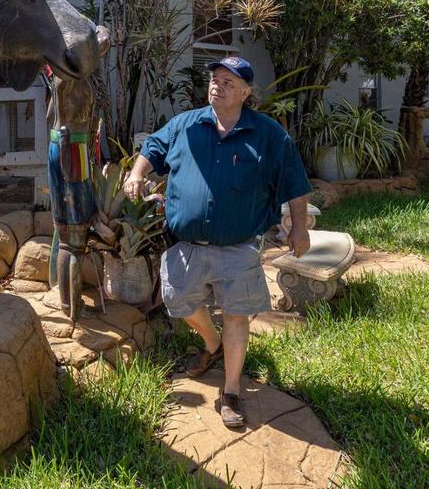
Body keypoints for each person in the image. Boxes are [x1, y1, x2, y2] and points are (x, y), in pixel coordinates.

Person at [123, 56, 312, 429]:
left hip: (238, 246)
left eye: (228, 81)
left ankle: (230, 392)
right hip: (186, 243)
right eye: (214, 79)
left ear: (246, 92)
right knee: (180, 304)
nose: (217, 85)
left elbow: (295, 181)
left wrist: (300, 228)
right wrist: (136, 173)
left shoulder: (268, 134)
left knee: (237, 316)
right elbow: (153, 148)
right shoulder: (185, 124)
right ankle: (212, 343)